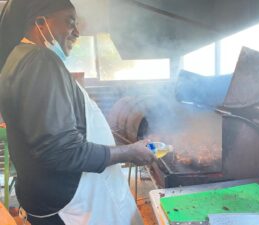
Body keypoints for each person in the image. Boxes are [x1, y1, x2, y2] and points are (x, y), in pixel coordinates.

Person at [0, 0, 155, 224]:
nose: (77, 32)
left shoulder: (18, 60)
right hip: (72, 206)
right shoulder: (40, 60)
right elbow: (62, 151)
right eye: (69, 22)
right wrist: (129, 152)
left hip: (47, 198)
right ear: (40, 23)